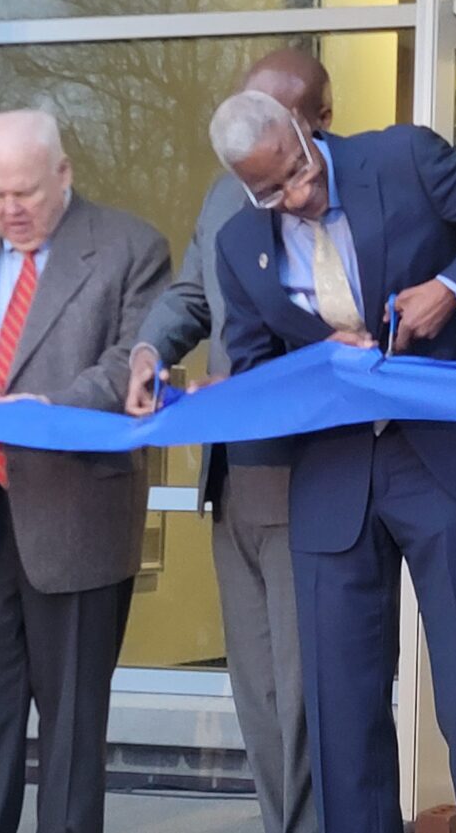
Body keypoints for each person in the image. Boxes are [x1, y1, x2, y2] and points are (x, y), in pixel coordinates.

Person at [211, 90, 456, 833]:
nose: (298, 196)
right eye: (272, 191)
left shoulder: (403, 157)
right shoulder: (239, 243)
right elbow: (254, 369)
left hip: (444, 458)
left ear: (312, 131)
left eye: (301, 171)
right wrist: (313, 364)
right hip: (333, 478)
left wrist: (454, 287)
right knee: (341, 705)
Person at [0, 110, 170, 833]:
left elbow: (129, 360)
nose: (11, 209)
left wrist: (50, 408)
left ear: (64, 173)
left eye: (26, 192)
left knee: (74, 728)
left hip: (75, 514)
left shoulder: (130, 246)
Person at [122, 48, 333, 833]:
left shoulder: (343, 203)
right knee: (261, 693)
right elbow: (189, 296)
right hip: (233, 481)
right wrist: (150, 350)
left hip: (312, 477)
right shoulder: (222, 196)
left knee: (308, 691)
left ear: (316, 122)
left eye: (274, 119)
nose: (254, 135)